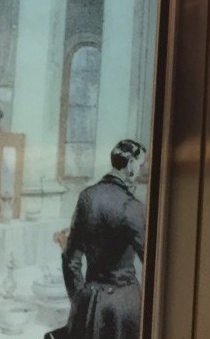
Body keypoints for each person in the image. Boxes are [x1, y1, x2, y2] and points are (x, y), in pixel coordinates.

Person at [61, 139, 147, 339]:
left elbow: (70, 259)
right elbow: (153, 264)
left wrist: (80, 299)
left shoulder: (86, 197)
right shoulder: (132, 206)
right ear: (130, 164)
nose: (141, 170)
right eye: (141, 165)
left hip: (89, 304)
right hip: (123, 307)